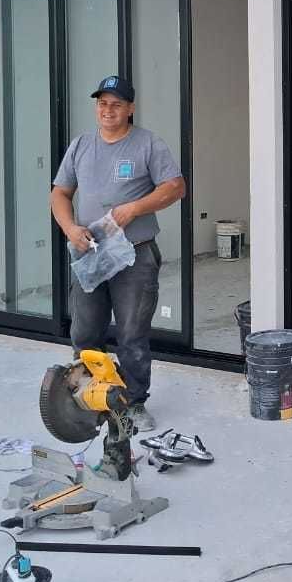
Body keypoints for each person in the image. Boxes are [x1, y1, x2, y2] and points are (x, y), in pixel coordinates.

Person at [50, 75, 186, 430]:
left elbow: (175, 188)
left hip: (134, 255)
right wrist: (70, 228)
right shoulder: (81, 145)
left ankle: (133, 403)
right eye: (102, 103)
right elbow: (59, 193)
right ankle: (87, 398)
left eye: (116, 104)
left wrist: (135, 209)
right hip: (90, 252)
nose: (108, 110)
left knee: (132, 334)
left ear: (130, 109)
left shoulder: (147, 145)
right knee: (85, 332)